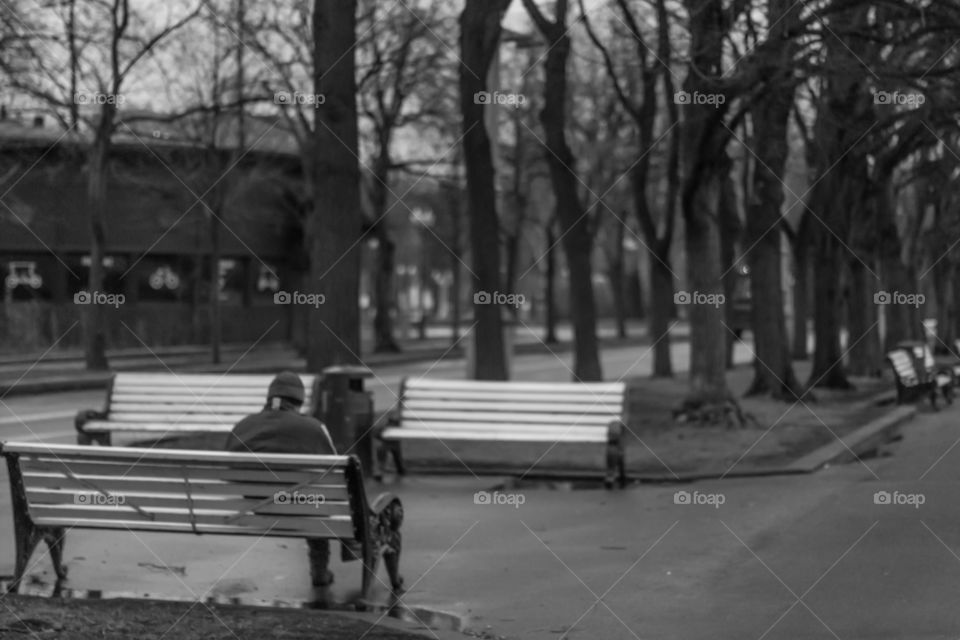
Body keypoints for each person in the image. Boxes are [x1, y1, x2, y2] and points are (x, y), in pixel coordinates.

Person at [225, 371, 337, 588]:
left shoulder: (243, 426)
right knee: (316, 500)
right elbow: (334, 471)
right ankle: (320, 571)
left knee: (309, 498)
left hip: (257, 505)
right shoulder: (313, 428)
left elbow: (229, 471)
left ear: (270, 398)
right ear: (299, 400)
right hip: (298, 505)